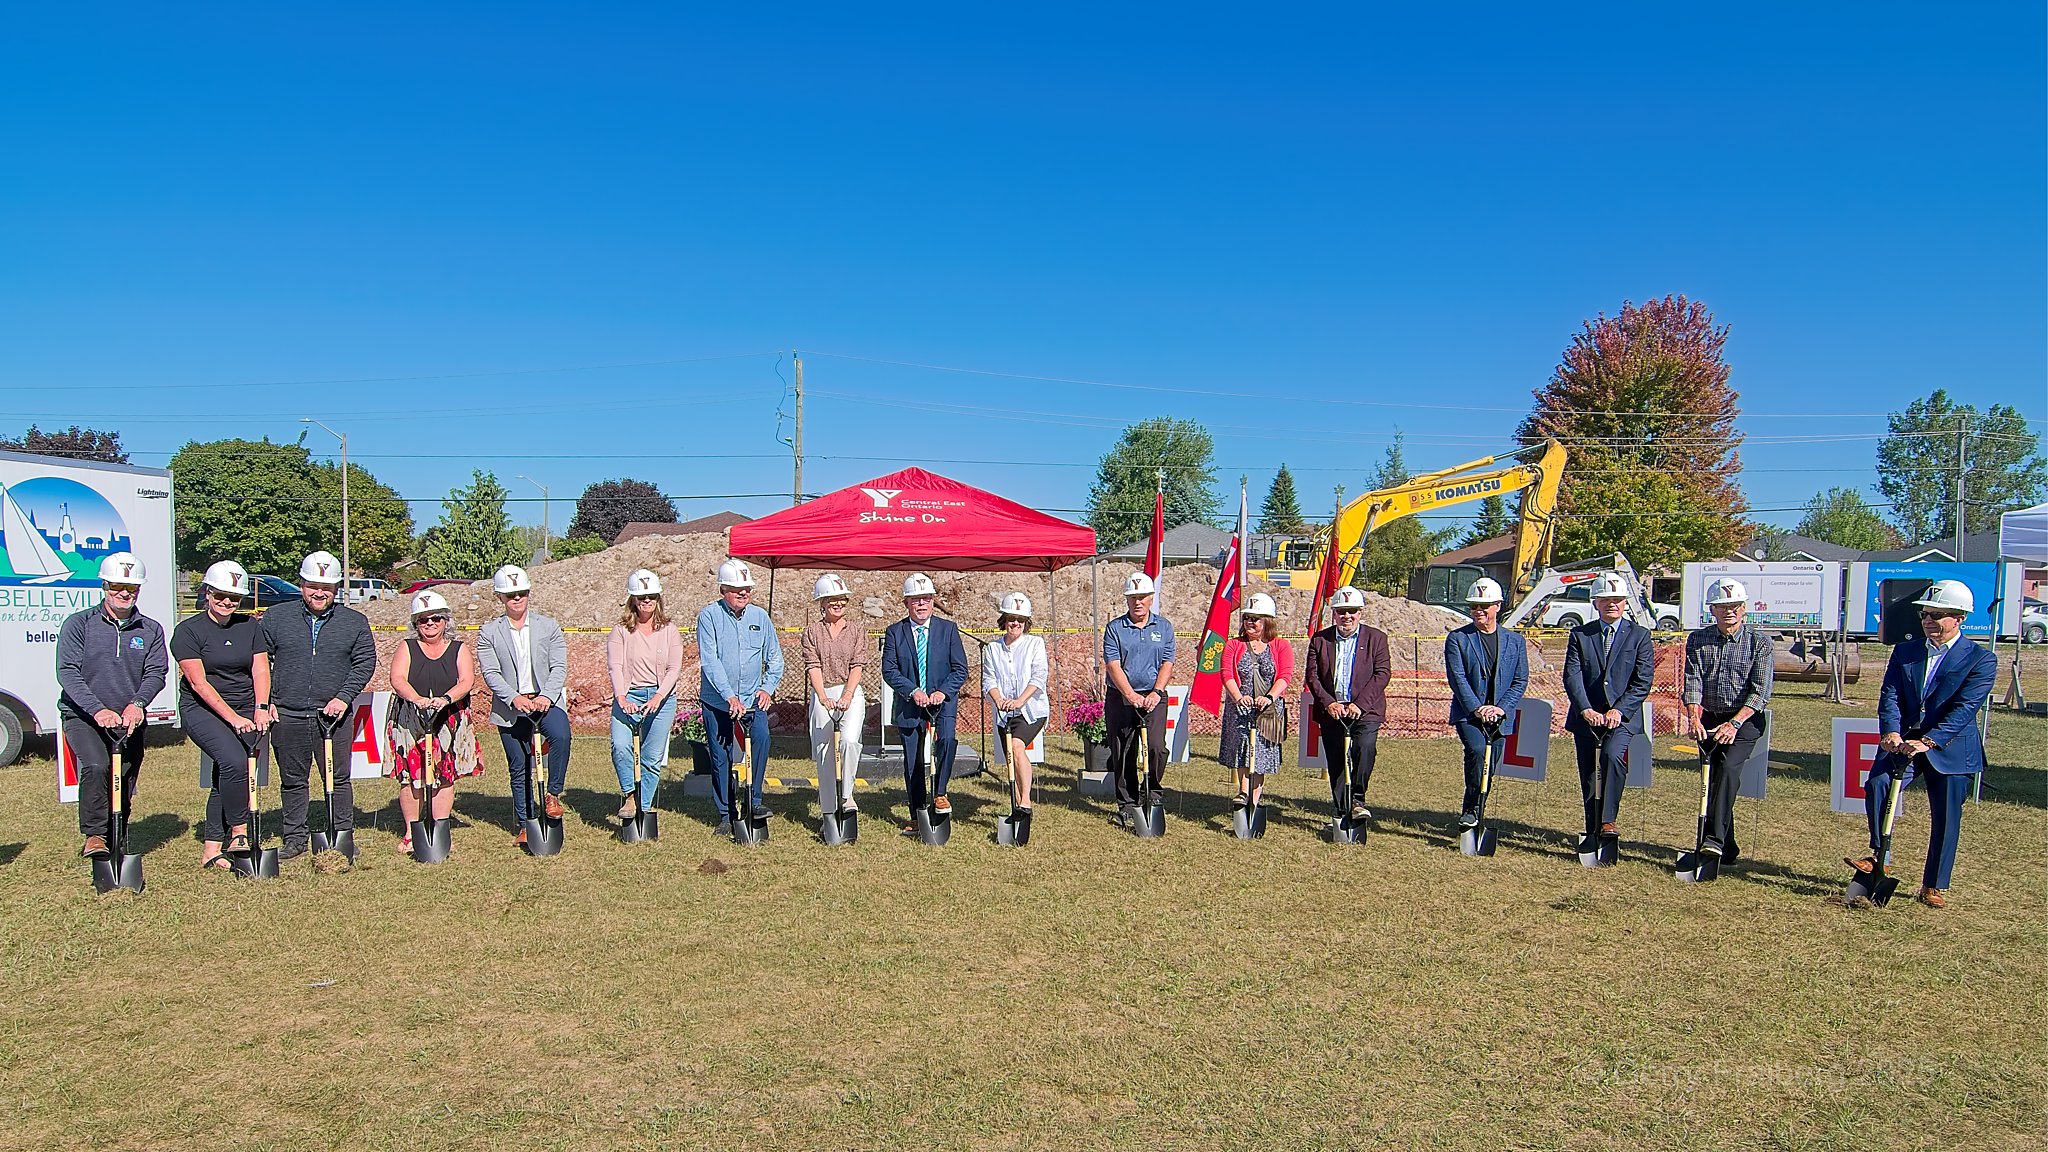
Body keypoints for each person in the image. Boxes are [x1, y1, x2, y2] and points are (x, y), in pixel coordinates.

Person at [1846, 579, 1997, 908]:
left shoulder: (1981, 659)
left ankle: (1933, 885)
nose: (1928, 620)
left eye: (1937, 615)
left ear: (1959, 618)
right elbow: (1890, 695)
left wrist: (1929, 740)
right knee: (1878, 783)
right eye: (1925, 614)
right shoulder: (1906, 651)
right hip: (1903, 744)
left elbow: (1965, 709)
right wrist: (1891, 731)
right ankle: (1880, 856)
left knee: (1946, 818)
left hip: (1951, 748)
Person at [260, 550, 376, 862]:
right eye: (313, 586)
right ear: (301, 584)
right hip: (288, 713)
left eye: (326, 587)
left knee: (337, 779)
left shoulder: (354, 622)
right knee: (293, 780)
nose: (319, 593)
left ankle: (341, 834)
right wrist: (268, 700)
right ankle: (294, 837)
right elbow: (260, 661)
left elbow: (364, 663)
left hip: (333, 715)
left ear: (336, 589)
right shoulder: (276, 618)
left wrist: (343, 697)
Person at [56, 552, 170, 862]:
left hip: (128, 717)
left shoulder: (150, 629)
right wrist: (97, 710)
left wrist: (137, 704)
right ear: (105, 586)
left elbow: (156, 673)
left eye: (131, 588)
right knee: (97, 766)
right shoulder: (79, 624)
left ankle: (117, 834)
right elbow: (68, 672)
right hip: (84, 716)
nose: (124, 593)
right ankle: (95, 835)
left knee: (126, 775)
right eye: (117, 586)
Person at [172, 561, 272, 870]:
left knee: (226, 774)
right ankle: (239, 832)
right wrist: (234, 719)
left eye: (234, 597)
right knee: (233, 762)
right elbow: (198, 683)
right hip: (203, 710)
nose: (227, 602)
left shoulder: (250, 627)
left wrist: (261, 707)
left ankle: (211, 849)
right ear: (207, 593)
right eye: (220, 595)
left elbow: (260, 669)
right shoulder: (188, 631)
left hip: (245, 707)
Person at [477, 564, 570, 849]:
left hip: (545, 700)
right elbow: (491, 672)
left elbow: (559, 666)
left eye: (522, 593)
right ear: (500, 597)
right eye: (510, 594)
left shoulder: (548, 626)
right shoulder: (489, 632)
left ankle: (552, 794)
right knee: (519, 766)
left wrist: (547, 696)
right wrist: (514, 697)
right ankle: (524, 823)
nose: (517, 598)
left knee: (561, 736)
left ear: (529, 593)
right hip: (510, 706)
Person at [1680, 577, 1773, 860]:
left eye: (1734, 606)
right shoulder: (1698, 640)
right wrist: (1694, 718)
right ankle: (1728, 847)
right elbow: (1693, 682)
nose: (1728, 611)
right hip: (1709, 719)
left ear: (1744, 608)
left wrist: (1734, 724)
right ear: (1712, 610)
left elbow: (1760, 692)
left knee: (1729, 771)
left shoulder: (1759, 643)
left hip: (1745, 721)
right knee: (1713, 779)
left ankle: (1713, 841)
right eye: (1722, 606)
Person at [1561, 572, 1655, 843]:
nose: (1612, 604)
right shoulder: (1581, 634)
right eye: (1605, 600)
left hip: (1622, 718)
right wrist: (1585, 709)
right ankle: (1592, 827)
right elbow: (1572, 675)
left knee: (1612, 757)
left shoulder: (1639, 636)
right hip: (1587, 716)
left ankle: (1608, 821)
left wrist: (1619, 710)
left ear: (1625, 602)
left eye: (1617, 600)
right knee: (1589, 772)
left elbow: (1642, 680)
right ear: (1595, 603)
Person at [387, 589, 481, 853]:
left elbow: (467, 680)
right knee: (411, 777)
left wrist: (446, 699)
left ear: (445, 621)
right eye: (423, 620)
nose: (430, 623)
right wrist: (417, 699)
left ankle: (440, 829)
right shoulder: (407, 647)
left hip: (448, 717)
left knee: (444, 776)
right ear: (415, 623)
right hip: (411, 718)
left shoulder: (458, 649)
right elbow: (397, 678)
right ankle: (411, 832)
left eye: (436, 618)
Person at [697, 559, 783, 834]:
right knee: (720, 755)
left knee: (761, 739)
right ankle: (726, 814)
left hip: (751, 700)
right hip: (717, 701)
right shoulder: (709, 617)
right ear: (723, 589)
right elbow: (710, 661)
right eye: (737, 589)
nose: (743, 593)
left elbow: (775, 659)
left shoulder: (760, 617)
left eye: (747, 588)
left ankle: (754, 801)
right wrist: (728, 696)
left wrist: (767, 688)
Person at [881, 573, 968, 825]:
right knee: (913, 761)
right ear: (906, 603)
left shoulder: (948, 630)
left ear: (933, 601)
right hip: (910, 704)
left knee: (947, 741)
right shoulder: (895, 632)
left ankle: (940, 793)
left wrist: (942, 692)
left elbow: (960, 669)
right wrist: (912, 691)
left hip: (942, 702)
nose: (921, 604)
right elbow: (889, 670)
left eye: (926, 599)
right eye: (916, 600)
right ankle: (917, 814)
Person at [1444, 577, 1528, 828]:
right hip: (1469, 714)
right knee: (1478, 750)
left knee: (1488, 766)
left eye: (1484, 606)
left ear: (1497, 606)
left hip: (1500, 715)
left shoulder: (1515, 641)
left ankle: (1477, 810)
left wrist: (1500, 708)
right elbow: (1457, 677)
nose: (1478, 611)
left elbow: (1520, 679)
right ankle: (1470, 810)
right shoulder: (1458, 639)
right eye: (1474, 606)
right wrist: (1477, 708)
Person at [1305, 585, 1390, 820]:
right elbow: (1312, 676)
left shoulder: (1376, 639)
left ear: (1360, 612)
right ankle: (1343, 809)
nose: (1347, 616)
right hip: (1332, 711)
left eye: (1352, 611)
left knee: (1365, 748)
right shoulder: (1320, 640)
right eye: (1341, 611)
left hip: (1365, 710)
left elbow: (1382, 674)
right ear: (1334, 613)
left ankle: (1358, 799)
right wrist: (1329, 703)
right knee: (1337, 760)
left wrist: (1359, 705)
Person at [610, 568, 685, 826]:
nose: (646, 601)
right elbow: (615, 666)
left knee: (651, 758)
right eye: (641, 597)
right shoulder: (621, 631)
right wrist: (621, 697)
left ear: (658, 598)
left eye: (651, 596)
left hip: (661, 698)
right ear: (633, 599)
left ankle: (642, 809)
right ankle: (630, 795)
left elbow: (674, 668)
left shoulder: (670, 630)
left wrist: (658, 697)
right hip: (628, 695)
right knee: (620, 747)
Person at [1102, 572, 1177, 821]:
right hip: (1121, 697)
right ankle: (1127, 804)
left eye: (1142, 597)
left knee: (1156, 747)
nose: (1138, 602)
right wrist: (1130, 695)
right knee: (1123, 750)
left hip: (1154, 696)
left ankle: (1153, 792)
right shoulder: (1115, 628)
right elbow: (1113, 665)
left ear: (1151, 598)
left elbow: (1167, 662)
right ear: (1126, 599)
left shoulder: (1164, 627)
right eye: (1133, 597)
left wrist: (1156, 692)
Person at [1218, 592, 1293, 810]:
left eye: (1255, 619)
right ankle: (1243, 792)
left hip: (1268, 709)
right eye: (1247, 618)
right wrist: (1238, 697)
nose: (1250, 622)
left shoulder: (1281, 646)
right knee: (1243, 749)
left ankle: (1254, 799)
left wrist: (1269, 697)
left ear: (1267, 621)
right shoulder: (1233, 645)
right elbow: (1226, 673)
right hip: (1240, 708)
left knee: (1261, 753)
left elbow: (1285, 675)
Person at [801, 573, 867, 820]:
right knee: (825, 752)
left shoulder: (857, 630)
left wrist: (848, 694)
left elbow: (858, 664)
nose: (838, 605)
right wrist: (821, 696)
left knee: (848, 741)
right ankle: (828, 811)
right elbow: (813, 665)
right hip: (823, 692)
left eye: (842, 600)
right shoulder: (812, 632)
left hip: (850, 690)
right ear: (822, 603)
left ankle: (846, 794)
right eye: (832, 601)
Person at [982, 591, 1048, 815]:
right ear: (1004, 620)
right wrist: (998, 699)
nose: (1016, 623)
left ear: (1026, 622)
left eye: (1020, 620)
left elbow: (1038, 677)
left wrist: (1020, 700)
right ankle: (1018, 803)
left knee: (1017, 747)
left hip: (1031, 710)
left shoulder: (1035, 644)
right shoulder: (993, 649)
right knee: (1011, 757)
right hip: (1005, 714)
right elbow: (989, 680)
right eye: (1012, 619)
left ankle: (1026, 800)